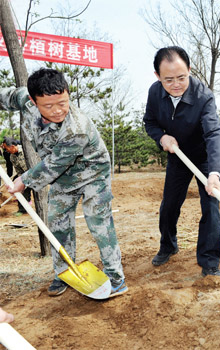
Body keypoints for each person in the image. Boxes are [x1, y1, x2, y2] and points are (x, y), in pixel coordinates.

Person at [0, 68, 127, 297]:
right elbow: (8, 96)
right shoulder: (26, 102)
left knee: (98, 220)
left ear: (68, 94)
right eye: (48, 106)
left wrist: (23, 181)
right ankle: (64, 273)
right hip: (62, 178)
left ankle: (116, 277)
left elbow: (54, 165)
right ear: (33, 101)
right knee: (57, 222)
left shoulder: (77, 128)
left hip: (92, 173)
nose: (58, 110)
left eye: (63, 102)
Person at [143, 46, 220, 277]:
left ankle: (209, 262)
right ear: (158, 77)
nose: (176, 84)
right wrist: (162, 137)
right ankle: (168, 245)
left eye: (182, 77)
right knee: (169, 205)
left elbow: (214, 133)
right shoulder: (154, 93)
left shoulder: (203, 96)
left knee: (211, 206)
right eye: (169, 80)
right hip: (178, 156)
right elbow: (149, 122)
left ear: (189, 70)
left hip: (204, 158)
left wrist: (214, 173)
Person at [2, 137, 32, 215]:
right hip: (24, 175)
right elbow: (19, 171)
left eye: (6, 149)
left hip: (34, 173)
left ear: (12, 146)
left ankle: (23, 209)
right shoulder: (12, 157)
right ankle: (23, 206)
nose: (6, 151)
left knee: (25, 189)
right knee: (17, 186)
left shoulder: (26, 150)